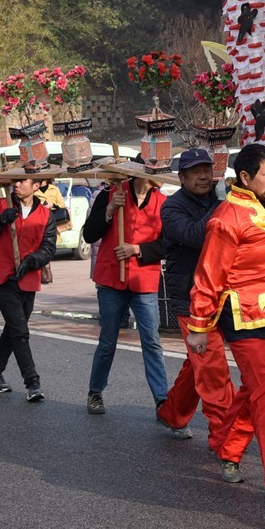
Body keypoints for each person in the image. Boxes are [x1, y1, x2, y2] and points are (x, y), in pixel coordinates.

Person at [184, 145, 265, 507]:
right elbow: (209, 275)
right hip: (245, 320)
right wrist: (198, 326)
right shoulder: (228, 217)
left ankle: (229, 447)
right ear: (245, 178)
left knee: (256, 392)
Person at [156, 148, 234, 447]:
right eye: (196, 171)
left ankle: (173, 414)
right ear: (182, 177)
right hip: (190, 300)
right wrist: (226, 206)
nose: (203, 176)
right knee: (212, 369)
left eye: (207, 170)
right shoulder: (171, 208)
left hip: (221, 297)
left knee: (198, 362)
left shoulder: (216, 202)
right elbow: (197, 235)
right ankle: (226, 442)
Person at [80, 173, 169, 415]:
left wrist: (138, 249)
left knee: (152, 342)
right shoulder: (110, 194)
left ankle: (163, 401)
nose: (163, 175)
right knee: (108, 341)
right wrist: (109, 210)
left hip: (145, 282)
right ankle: (95, 392)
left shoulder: (164, 202)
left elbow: (169, 243)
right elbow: (89, 235)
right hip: (111, 280)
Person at [0, 178, 66, 401]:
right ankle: (32, 382)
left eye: (22, 181)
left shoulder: (46, 214)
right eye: (14, 181)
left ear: (36, 185)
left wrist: (32, 261)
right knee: (20, 331)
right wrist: (0, 221)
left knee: (14, 328)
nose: (16, 185)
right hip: (3, 278)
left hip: (28, 277)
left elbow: (48, 247)